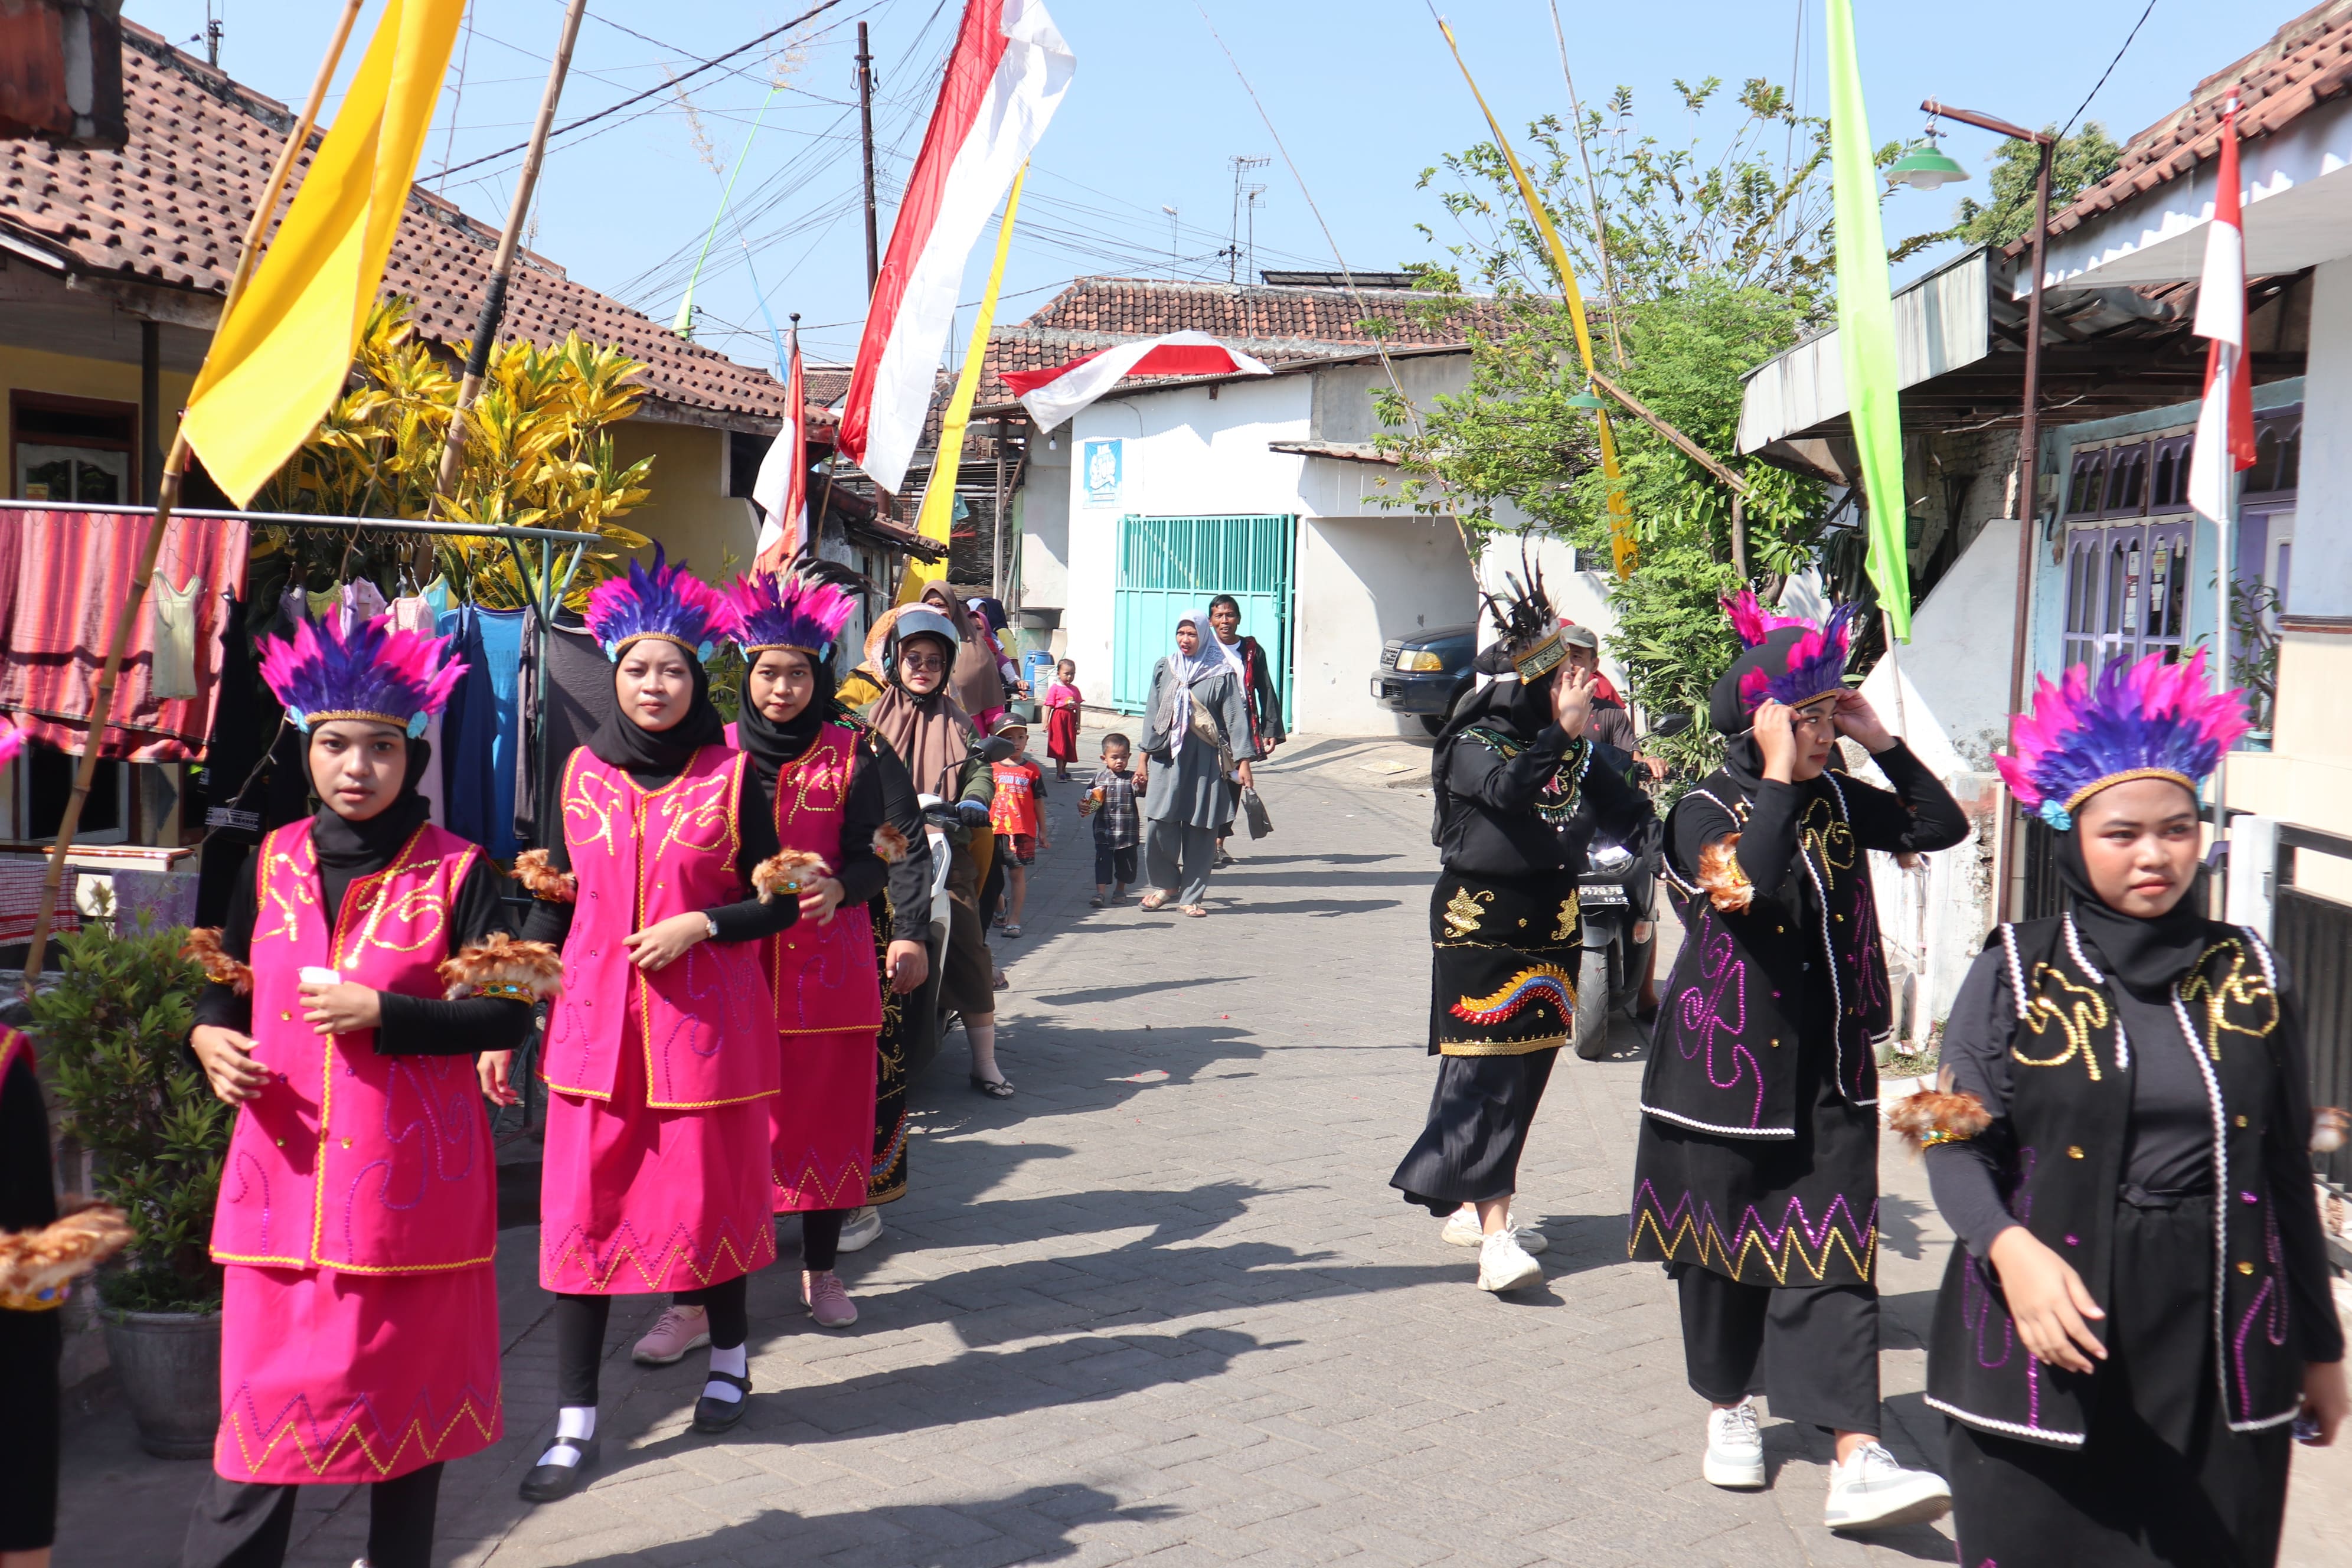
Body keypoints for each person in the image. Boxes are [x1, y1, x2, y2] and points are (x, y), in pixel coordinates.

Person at [1897, 649, 2346, 1566]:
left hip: (2220, 1344)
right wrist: (2007, 1248)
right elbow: (1948, 1135)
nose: (2155, 855)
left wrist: (2322, 1347)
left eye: (2178, 829)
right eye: (2124, 833)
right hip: (2044, 1337)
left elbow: (2282, 1175)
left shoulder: (2251, 972)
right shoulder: (2018, 969)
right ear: (2073, 835)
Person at [178, 616, 544, 1568]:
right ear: (307, 750)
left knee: (403, 1421)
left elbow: (508, 1015)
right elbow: (225, 979)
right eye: (335, 743)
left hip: (406, 1200)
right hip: (280, 1192)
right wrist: (205, 1033)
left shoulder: (461, 870)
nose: (357, 766)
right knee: (257, 1430)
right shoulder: (266, 859)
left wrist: (385, 1012)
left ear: (412, 756)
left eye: (381, 746)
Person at [1626, 591, 1967, 1531]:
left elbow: (1939, 827)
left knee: (1836, 1253)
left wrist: (1881, 741)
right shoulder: (1700, 810)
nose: (1822, 734)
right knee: (1720, 1253)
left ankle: (1857, 1454)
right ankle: (1729, 1405)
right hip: (1722, 1076)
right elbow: (1744, 887)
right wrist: (1779, 773)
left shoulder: (1838, 796)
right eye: (1805, 717)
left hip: (1829, 1071)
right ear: (1761, 721)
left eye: (1828, 715)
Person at [491, 547, 796, 1501]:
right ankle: (574, 1423)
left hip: (704, 1040)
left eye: (671, 669)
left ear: (696, 679)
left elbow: (780, 901)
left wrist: (702, 924)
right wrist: (506, 1017)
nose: (654, 685)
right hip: (591, 1043)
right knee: (578, 1224)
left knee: (711, 1209)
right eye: (636, 670)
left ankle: (730, 1360)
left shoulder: (735, 776)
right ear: (614, 678)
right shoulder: (578, 772)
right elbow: (548, 904)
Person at [664, 565, 934, 1342]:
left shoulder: (854, 752)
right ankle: (692, 1300)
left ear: (819, 678)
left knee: (824, 1125)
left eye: (797, 674)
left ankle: (822, 1270)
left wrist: (852, 891)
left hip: (828, 969)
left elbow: (888, 847)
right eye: (768, 673)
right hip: (728, 971)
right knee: (712, 1140)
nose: (781, 689)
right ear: (746, 676)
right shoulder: (709, 755)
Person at [1388, 569, 1655, 1293]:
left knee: (1526, 1075)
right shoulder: (1476, 738)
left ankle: (1476, 1208)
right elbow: (1507, 793)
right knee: (1485, 1075)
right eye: (1568, 676)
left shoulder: (1577, 749)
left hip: (1554, 925)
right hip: (1483, 928)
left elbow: (1630, 812)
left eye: (1586, 676)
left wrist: (1699, 847)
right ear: (1538, 680)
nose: (1582, 689)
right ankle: (1496, 1237)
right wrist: (1564, 733)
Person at [857, 606, 1012, 1098]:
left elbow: (979, 770)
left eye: (934, 661)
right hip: (880, 851)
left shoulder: (960, 724)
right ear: (894, 661)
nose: (923, 668)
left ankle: (985, 1062)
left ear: (946, 668)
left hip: (944, 847)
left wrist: (974, 800)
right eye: (913, 658)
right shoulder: (865, 721)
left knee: (967, 941)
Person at [1140, 609, 1255, 917]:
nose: (1185, 639)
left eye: (1192, 634)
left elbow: (1235, 719)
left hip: (1204, 761)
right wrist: (1142, 760)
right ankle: (1166, 885)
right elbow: (1152, 714)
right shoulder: (1166, 667)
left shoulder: (1221, 673)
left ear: (1203, 635)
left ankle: (1191, 896)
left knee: (1201, 826)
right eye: (1181, 633)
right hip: (1166, 758)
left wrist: (1244, 762)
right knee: (1159, 823)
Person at [1207, 594, 1283, 867]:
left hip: (1240, 724)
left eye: (1230, 615)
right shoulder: (1204, 647)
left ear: (1238, 619)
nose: (1225, 621)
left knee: (1234, 782)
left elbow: (1266, 688)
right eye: (1219, 616)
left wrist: (1270, 729)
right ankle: (1201, 841)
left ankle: (1218, 843)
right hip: (1207, 725)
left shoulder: (1251, 650)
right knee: (1206, 781)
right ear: (1211, 621)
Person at [989, 715, 1049, 937]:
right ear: (997, 741)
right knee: (992, 877)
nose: (1016, 743)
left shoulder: (1032, 771)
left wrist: (1043, 832)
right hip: (992, 831)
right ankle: (1000, 907)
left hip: (1022, 832)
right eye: (1009, 738)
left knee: (1017, 876)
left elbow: (1038, 803)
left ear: (1027, 739)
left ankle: (1014, 920)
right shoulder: (989, 768)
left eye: (1020, 737)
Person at [1080, 732, 1146, 907]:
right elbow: (1088, 801)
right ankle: (1100, 893)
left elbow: (1142, 791)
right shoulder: (1098, 779)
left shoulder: (1132, 778)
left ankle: (1120, 890)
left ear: (1129, 757)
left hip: (1127, 833)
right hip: (1104, 831)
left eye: (1124, 757)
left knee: (1126, 865)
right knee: (1103, 862)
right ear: (1104, 758)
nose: (1120, 762)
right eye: (1115, 757)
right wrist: (1083, 806)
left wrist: (1142, 783)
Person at [1045, 658, 1083, 780]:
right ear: (1059, 674)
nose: (1069, 677)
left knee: (1069, 744)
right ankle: (1059, 772)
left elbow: (1078, 707)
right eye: (1066, 674)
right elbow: (1049, 706)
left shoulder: (1075, 690)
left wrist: (1078, 723)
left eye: (1072, 674)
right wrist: (1046, 722)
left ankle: (1064, 770)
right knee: (1059, 744)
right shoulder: (1055, 688)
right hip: (1059, 718)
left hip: (1070, 718)